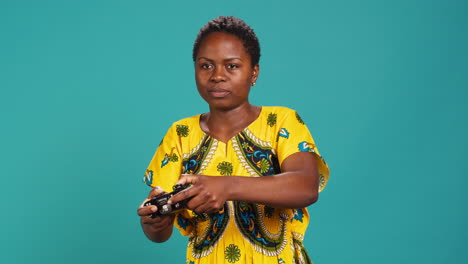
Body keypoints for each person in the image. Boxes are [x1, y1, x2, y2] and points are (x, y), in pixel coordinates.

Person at [137, 16, 329, 264]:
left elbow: (305, 187)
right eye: (206, 66)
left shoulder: (282, 121)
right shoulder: (180, 133)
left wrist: (226, 186)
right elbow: (159, 234)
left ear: (254, 72)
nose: (217, 75)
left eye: (232, 66)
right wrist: (155, 222)